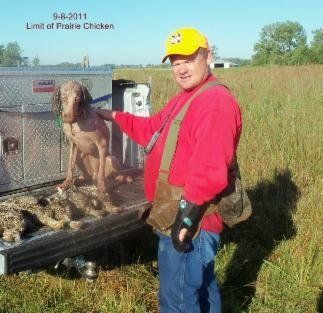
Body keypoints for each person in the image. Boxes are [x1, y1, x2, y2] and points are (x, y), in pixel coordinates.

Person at [96, 27, 242, 312]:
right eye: (175, 62)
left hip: (192, 220)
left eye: (188, 59)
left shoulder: (214, 102)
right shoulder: (186, 97)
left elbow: (211, 171)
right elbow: (151, 129)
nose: (181, 69)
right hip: (174, 211)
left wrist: (185, 222)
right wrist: (111, 115)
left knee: (178, 300)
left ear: (207, 55)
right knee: (201, 289)